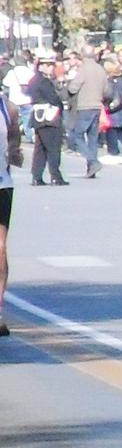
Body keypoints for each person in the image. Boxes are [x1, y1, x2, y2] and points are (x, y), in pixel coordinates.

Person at [67, 44, 111, 178]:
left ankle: (93, 161)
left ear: (82, 55)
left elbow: (73, 88)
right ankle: (91, 169)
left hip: (85, 106)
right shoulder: (100, 69)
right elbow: (106, 90)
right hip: (97, 106)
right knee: (93, 138)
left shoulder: (83, 69)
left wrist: (69, 85)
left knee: (77, 135)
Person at [25, 55, 68, 186]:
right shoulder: (44, 82)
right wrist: (60, 106)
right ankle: (55, 176)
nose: (51, 68)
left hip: (38, 117)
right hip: (49, 116)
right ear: (41, 67)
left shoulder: (34, 80)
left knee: (40, 149)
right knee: (53, 147)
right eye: (48, 65)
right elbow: (53, 98)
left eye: (51, 65)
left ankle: (37, 176)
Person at [0, 93, 22, 337]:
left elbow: (15, 138)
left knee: (0, 248)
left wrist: (14, 151)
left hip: (2, 184)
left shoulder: (8, 108)